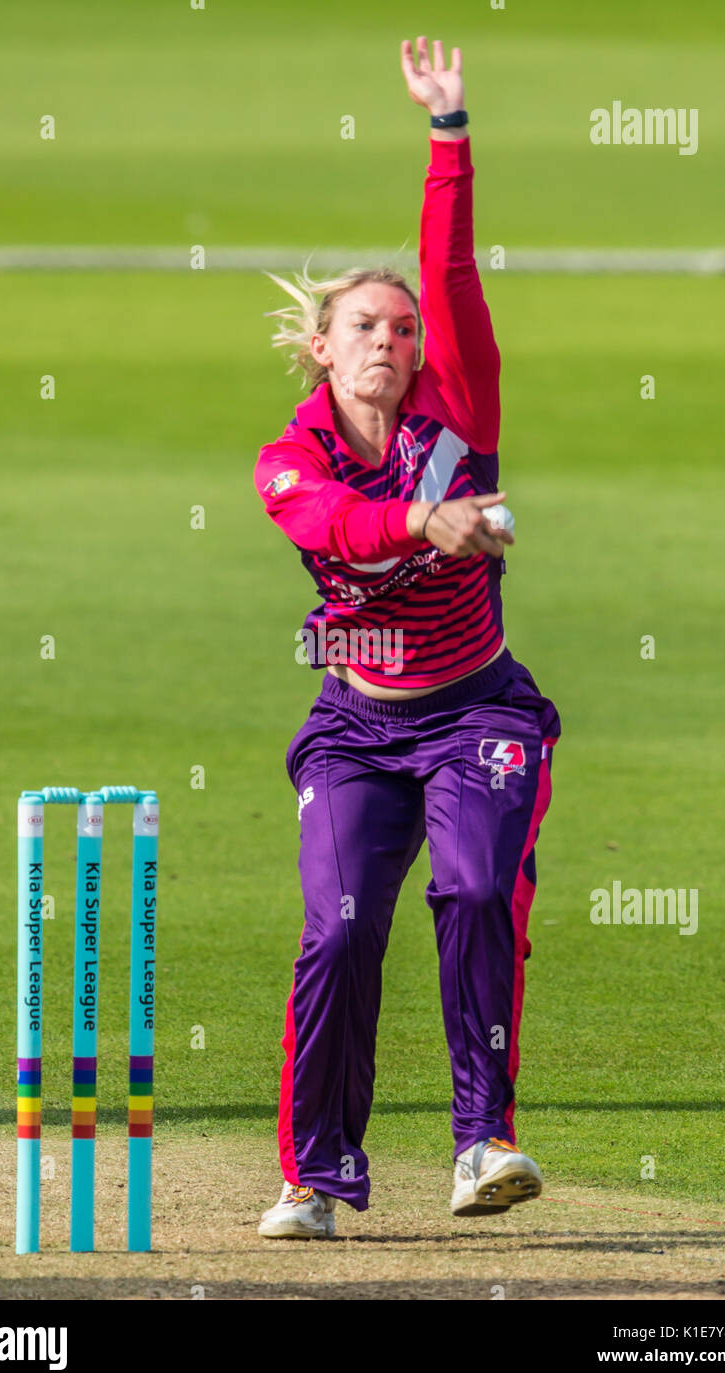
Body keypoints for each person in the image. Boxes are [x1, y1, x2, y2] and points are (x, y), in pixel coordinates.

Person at [253, 36, 561, 1239]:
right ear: (321, 349)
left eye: (400, 327)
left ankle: (481, 1140)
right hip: (352, 728)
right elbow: (335, 523)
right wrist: (420, 520)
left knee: (478, 886)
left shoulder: (458, 405)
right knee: (337, 930)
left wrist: (448, 133)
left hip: (478, 708)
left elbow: (450, 269)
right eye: (362, 327)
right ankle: (315, 1175)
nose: (390, 338)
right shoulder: (288, 460)